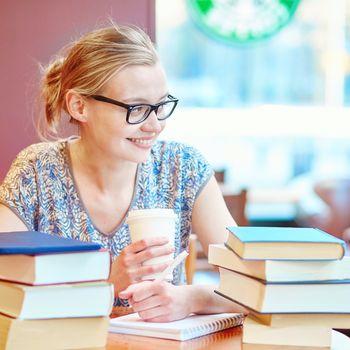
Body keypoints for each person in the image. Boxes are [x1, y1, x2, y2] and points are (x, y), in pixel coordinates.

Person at [0, 22, 246, 322]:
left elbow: (255, 286)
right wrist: (106, 283)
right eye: (136, 108)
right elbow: (4, 295)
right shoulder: (36, 173)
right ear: (79, 106)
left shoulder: (183, 168)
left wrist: (192, 298)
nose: (154, 125)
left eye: (160, 106)